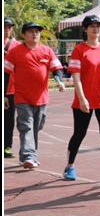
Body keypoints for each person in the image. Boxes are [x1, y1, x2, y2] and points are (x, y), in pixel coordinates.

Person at [63, 15, 100, 182]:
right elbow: (76, 76)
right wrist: (82, 98)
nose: (96, 29)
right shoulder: (79, 50)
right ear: (85, 29)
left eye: (98, 26)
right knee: (79, 133)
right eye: (92, 26)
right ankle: (69, 166)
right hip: (84, 98)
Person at [3, 22, 65, 168]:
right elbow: (5, 74)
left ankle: (27, 154)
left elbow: (56, 69)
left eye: (37, 31)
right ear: (23, 35)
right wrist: (4, 94)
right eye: (30, 31)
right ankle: (29, 156)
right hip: (22, 97)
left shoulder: (47, 51)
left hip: (41, 97)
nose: (34, 34)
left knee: (36, 126)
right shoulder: (15, 52)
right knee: (26, 126)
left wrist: (59, 81)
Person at [4, 17, 22, 159]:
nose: (7, 30)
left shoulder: (17, 46)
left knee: (9, 119)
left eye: (9, 27)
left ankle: (6, 146)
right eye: (5, 27)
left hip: (10, 88)